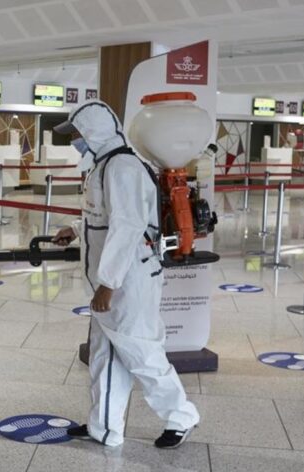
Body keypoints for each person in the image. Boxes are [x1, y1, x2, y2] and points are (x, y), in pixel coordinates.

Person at [51, 100, 200, 449]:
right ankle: (104, 428)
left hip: (128, 282)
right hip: (111, 281)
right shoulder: (103, 165)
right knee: (105, 357)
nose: (74, 140)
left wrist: (108, 284)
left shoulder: (122, 167)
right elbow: (103, 217)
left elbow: (129, 225)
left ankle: (181, 415)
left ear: (95, 132)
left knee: (142, 354)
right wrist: (75, 229)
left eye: (77, 133)